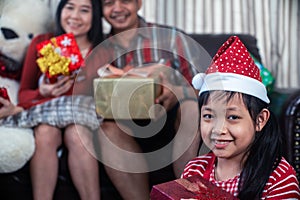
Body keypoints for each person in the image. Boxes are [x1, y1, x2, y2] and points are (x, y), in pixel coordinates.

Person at [86, 0, 201, 199]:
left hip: (172, 121)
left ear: (139, 3)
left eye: (125, 1)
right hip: (125, 127)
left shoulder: (171, 37)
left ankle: (187, 195)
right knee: (107, 128)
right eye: (109, 3)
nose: (117, 9)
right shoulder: (99, 48)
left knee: (192, 107)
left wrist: (177, 92)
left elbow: (204, 88)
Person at [182, 36, 300, 199]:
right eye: (209, 116)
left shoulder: (279, 179)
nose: (218, 129)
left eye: (232, 117)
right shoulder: (194, 170)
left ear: (260, 120)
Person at [18, 0, 103, 199]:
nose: (74, 16)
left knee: (77, 134)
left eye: (84, 10)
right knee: (45, 132)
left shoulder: (102, 50)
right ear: (60, 10)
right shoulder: (43, 42)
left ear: (95, 16)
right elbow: (23, 94)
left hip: (83, 120)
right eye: (69, 7)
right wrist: (43, 91)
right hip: (47, 115)